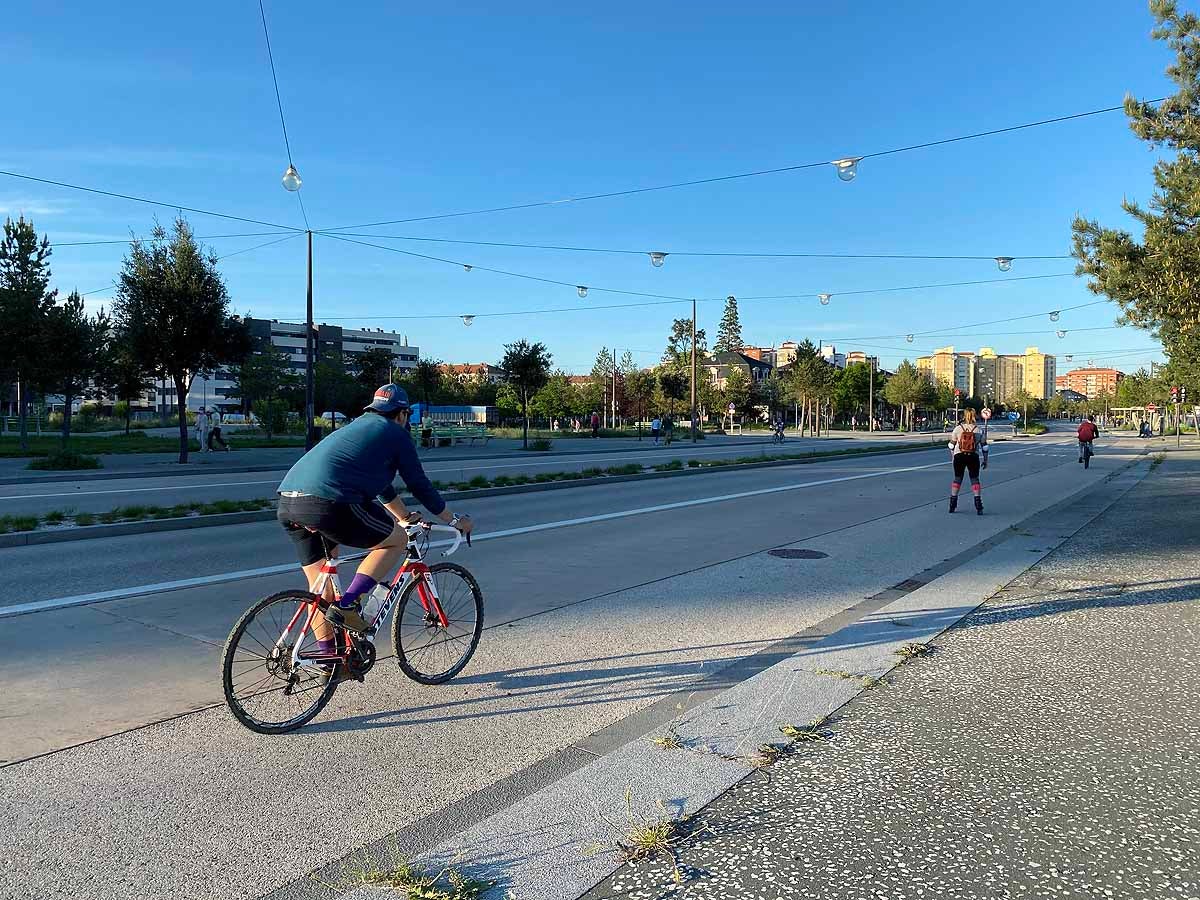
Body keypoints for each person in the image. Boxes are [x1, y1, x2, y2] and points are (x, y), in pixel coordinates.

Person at [276, 384, 473, 644]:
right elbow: (418, 484)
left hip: (289, 501)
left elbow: (382, 487)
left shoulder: (358, 427)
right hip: (330, 502)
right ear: (402, 414)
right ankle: (348, 606)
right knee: (396, 540)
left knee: (320, 593)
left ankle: (328, 662)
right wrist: (454, 520)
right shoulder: (396, 433)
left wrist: (402, 515)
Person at [947, 408, 985, 515]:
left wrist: (953, 456)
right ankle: (978, 505)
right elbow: (985, 447)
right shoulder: (979, 430)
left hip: (959, 456)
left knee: (957, 479)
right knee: (974, 479)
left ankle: (952, 504)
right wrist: (985, 460)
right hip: (973, 456)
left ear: (964, 415)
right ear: (974, 416)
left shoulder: (958, 428)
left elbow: (951, 445)